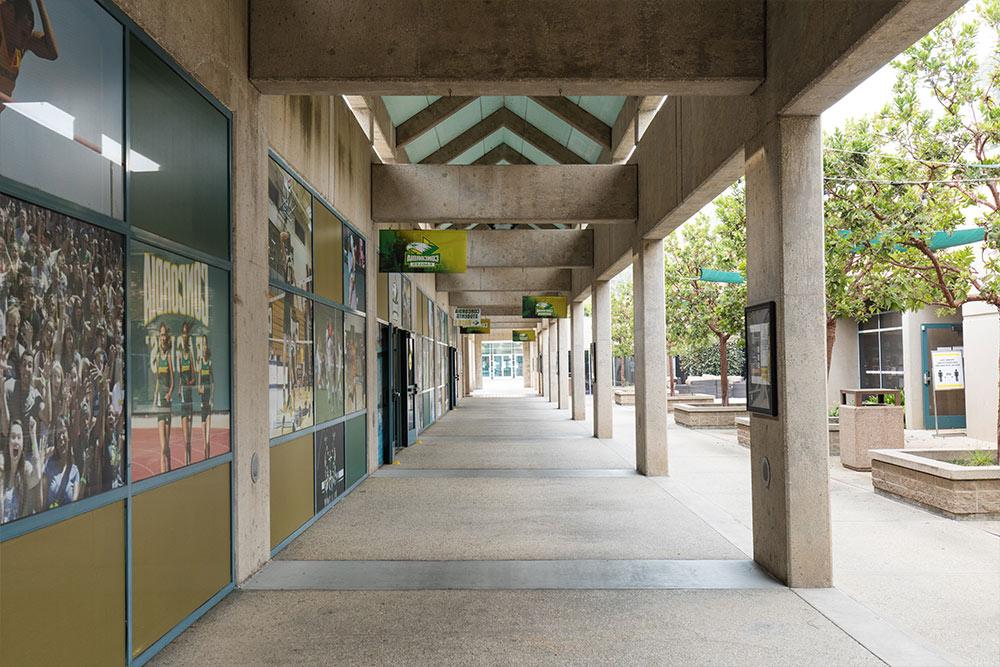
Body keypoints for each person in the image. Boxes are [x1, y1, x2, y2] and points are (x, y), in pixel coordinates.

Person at [0, 0, 58, 105]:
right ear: (10, 13)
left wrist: (40, 4)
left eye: (28, 35)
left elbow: (51, 53)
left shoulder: (21, 44)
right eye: (23, 33)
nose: (24, 41)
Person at [152, 323, 173, 473]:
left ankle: (169, 471)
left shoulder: (169, 356)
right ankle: (162, 476)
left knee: (167, 444)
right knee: (162, 446)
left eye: (164, 335)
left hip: (168, 400)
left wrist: (170, 392)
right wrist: (154, 398)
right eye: (161, 335)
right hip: (160, 401)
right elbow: (158, 380)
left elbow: (173, 379)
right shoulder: (158, 357)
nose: (163, 337)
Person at [176, 321, 196, 465]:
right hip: (182, 393)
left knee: (190, 426)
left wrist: (190, 383)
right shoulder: (179, 354)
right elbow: (178, 376)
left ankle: (189, 457)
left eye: (186, 333)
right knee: (184, 426)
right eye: (183, 333)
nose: (184, 336)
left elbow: (194, 377)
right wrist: (179, 388)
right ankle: (185, 457)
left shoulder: (190, 354)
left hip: (189, 393)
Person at [197, 343, 213, 460]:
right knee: (203, 418)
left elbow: (213, 382)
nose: (204, 354)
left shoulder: (209, 364)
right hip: (202, 396)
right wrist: (199, 388)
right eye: (203, 352)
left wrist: (212, 397)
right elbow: (198, 380)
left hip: (208, 396)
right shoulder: (200, 363)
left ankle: (208, 445)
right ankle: (204, 448)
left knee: (208, 417)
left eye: (205, 352)